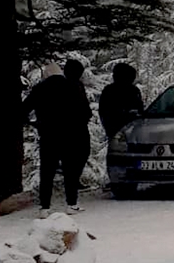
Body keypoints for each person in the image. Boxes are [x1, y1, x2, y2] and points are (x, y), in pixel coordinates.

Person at [22, 59, 92, 216]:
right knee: (70, 170)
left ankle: (45, 207)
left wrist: (34, 123)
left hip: (48, 135)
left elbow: (23, 109)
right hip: (71, 135)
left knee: (47, 171)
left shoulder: (40, 88)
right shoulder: (74, 86)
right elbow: (85, 112)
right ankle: (71, 204)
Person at [98, 63, 143, 139]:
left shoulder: (133, 90)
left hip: (131, 128)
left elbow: (140, 108)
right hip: (117, 128)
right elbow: (105, 111)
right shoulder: (110, 91)